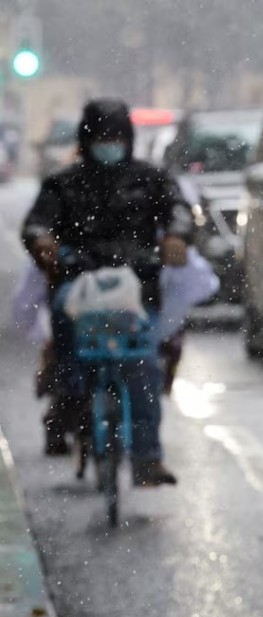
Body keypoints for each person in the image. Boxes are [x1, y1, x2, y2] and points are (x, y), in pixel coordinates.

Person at [21, 98, 194, 486]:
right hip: (77, 288)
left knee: (144, 367)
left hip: (137, 291)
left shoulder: (152, 179)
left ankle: (147, 458)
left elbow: (179, 210)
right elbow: (36, 222)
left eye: (116, 136)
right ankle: (66, 405)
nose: (109, 143)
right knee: (71, 360)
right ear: (87, 138)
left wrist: (177, 237)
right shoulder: (63, 184)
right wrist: (42, 241)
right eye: (102, 137)